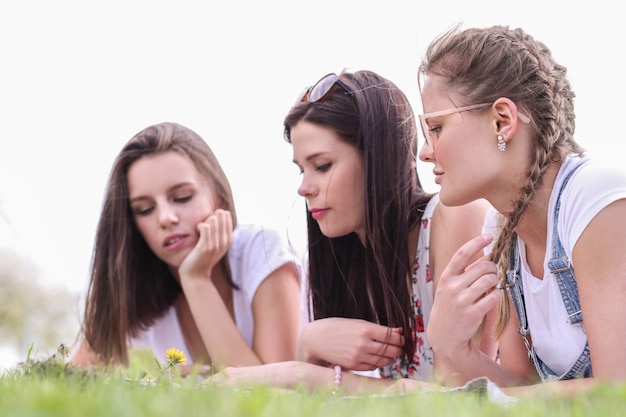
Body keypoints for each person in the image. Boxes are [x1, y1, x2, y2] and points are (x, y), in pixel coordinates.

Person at [207, 69, 496, 393]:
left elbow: (460, 395)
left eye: (322, 165)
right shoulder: (351, 260)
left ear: (378, 158)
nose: (304, 188)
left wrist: (302, 373)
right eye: (302, 170)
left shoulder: (454, 217)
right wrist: (308, 347)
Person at [415, 24, 626, 394]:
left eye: (435, 127)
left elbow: (617, 392)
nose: (425, 151)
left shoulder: (595, 200)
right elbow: (525, 392)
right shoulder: (502, 232)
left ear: (503, 121)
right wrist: (453, 351)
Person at [70, 122, 302, 374]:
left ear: (219, 195)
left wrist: (196, 279)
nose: (165, 218)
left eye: (182, 197)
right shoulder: (138, 289)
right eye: (145, 209)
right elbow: (69, 381)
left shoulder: (262, 250)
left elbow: (275, 393)